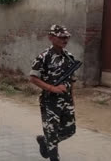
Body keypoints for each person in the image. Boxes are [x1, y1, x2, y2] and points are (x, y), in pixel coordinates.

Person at [30, 25, 77, 161]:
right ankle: (52, 152)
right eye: (61, 37)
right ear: (51, 38)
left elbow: (72, 80)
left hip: (66, 100)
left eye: (67, 37)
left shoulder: (69, 56)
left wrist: (72, 99)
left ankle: (45, 141)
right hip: (50, 100)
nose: (65, 39)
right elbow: (33, 78)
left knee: (70, 130)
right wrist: (52, 88)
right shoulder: (43, 57)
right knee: (52, 132)